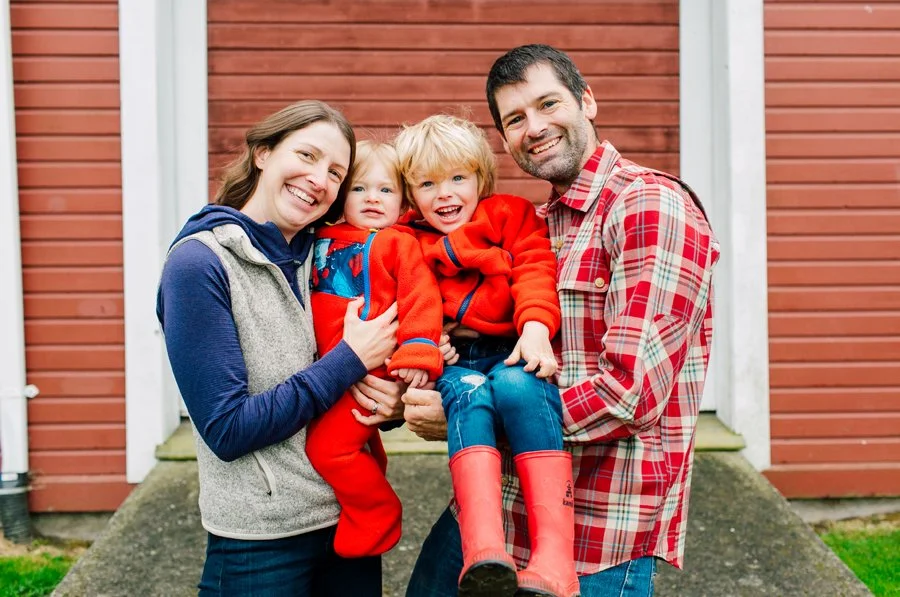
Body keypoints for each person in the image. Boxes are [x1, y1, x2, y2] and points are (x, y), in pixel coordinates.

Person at [403, 45, 720, 597]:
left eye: (548, 103)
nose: (535, 127)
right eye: (515, 119)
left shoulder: (646, 205)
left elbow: (631, 393)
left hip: (596, 540)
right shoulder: (533, 223)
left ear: (587, 101)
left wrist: (465, 412)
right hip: (491, 520)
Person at [156, 100, 403, 596]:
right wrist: (348, 361)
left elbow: (364, 367)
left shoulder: (331, 256)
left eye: (336, 172)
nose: (320, 178)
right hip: (259, 541)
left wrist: (388, 401)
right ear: (263, 153)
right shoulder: (198, 265)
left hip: (347, 524)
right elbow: (227, 429)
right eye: (307, 156)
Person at [394, 114, 578, 597]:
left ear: (480, 177)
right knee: (469, 394)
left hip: (513, 346)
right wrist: (428, 339)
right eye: (428, 183)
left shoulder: (509, 214)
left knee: (522, 385)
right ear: (411, 194)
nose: (445, 194)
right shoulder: (408, 239)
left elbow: (535, 269)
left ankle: (555, 559)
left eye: (458, 178)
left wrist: (537, 330)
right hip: (459, 363)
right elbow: (409, 297)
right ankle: (483, 548)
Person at [305, 140, 444, 559]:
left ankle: (378, 512)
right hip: (333, 369)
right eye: (359, 189)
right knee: (352, 443)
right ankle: (370, 482)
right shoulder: (321, 239)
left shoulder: (397, 244)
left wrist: (419, 352)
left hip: (373, 374)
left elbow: (422, 299)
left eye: (385, 190)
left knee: (327, 449)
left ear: (402, 200)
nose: (372, 198)